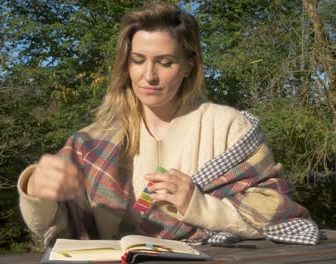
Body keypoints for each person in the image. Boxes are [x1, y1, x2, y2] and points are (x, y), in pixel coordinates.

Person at [18, 2, 318, 247]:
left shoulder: (228, 127)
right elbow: (47, 225)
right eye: (138, 60)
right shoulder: (93, 141)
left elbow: (275, 208)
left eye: (165, 62)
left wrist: (197, 205)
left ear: (189, 66)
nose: (149, 76)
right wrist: (37, 193)